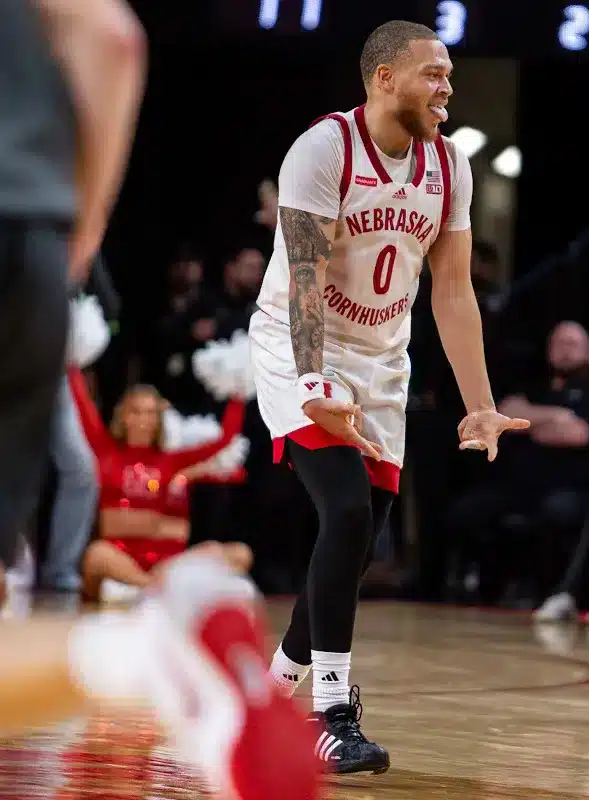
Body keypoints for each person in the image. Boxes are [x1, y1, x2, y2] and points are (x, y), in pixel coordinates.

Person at [0, 2, 321, 798]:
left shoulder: (159, 447)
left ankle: (143, 651)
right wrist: (78, 232)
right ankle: (144, 655)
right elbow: (115, 38)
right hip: (29, 236)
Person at [248, 20, 527, 774]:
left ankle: (268, 693)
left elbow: (454, 288)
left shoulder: (451, 167)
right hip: (299, 344)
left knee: (360, 534)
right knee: (340, 509)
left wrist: (479, 400)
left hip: (381, 359)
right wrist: (312, 385)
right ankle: (330, 713)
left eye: (450, 76)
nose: (447, 88)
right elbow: (303, 277)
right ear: (383, 78)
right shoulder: (324, 150)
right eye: (433, 74)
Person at [68, 371, 252, 601]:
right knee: (96, 555)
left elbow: (225, 440)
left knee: (240, 554)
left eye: (151, 413)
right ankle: (151, 588)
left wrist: (238, 392)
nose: (144, 419)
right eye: (137, 412)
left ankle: (145, 588)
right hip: (121, 559)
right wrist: (72, 366)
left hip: (166, 564)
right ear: (124, 416)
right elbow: (85, 410)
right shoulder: (106, 451)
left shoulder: (171, 460)